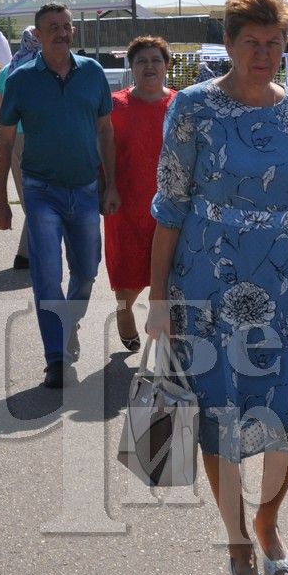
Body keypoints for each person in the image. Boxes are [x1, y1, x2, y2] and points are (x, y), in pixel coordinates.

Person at [145, 0, 288, 575]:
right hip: (208, 278)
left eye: (273, 42)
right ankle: (236, 544)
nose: (263, 53)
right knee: (217, 412)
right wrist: (156, 299)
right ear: (227, 44)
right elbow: (170, 204)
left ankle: (268, 520)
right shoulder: (193, 108)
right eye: (250, 42)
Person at [0, 3, 119, 390]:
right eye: (53, 27)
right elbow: (5, 141)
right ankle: (56, 359)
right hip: (41, 190)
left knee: (86, 271)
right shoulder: (21, 80)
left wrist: (110, 183)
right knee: (47, 276)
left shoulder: (93, 74)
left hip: (84, 190)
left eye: (67, 26)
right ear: (38, 35)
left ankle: (69, 321)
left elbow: (106, 131)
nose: (62, 32)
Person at [103, 36, 176, 353]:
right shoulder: (115, 105)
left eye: (156, 60)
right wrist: (107, 186)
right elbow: (101, 150)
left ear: (166, 66)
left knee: (170, 268)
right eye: (142, 61)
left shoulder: (180, 104)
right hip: (126, 199)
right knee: (129, 266)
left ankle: (168, 335)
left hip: (172, 202)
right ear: (131, 67)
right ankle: (124, 308)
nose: (149, 66)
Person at [0, 28, 41, 271]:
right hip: (39, 138)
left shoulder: (9, 70)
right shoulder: (49, 67)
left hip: (15, 138)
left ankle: (27, 255)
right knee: (40, 200)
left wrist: (15, 117)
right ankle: (28, 257)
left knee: (34, 198)